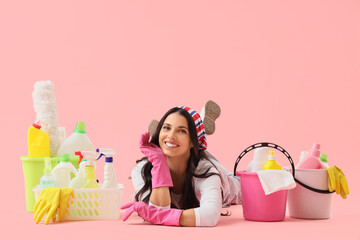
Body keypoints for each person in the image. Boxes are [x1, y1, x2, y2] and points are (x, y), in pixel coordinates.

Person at [121, 106, 242, 227]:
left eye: (182, 131)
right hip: (191, 152)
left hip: (226, 180)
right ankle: (198, 127)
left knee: (239, 181)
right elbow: (158, 210)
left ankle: (199, 129)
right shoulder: (141, 170)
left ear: (192, 142)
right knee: (189, 149)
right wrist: (159, 164)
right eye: (166, 128)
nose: (171, 135)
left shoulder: (206, 171)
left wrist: (159, 216)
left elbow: (210, 216)